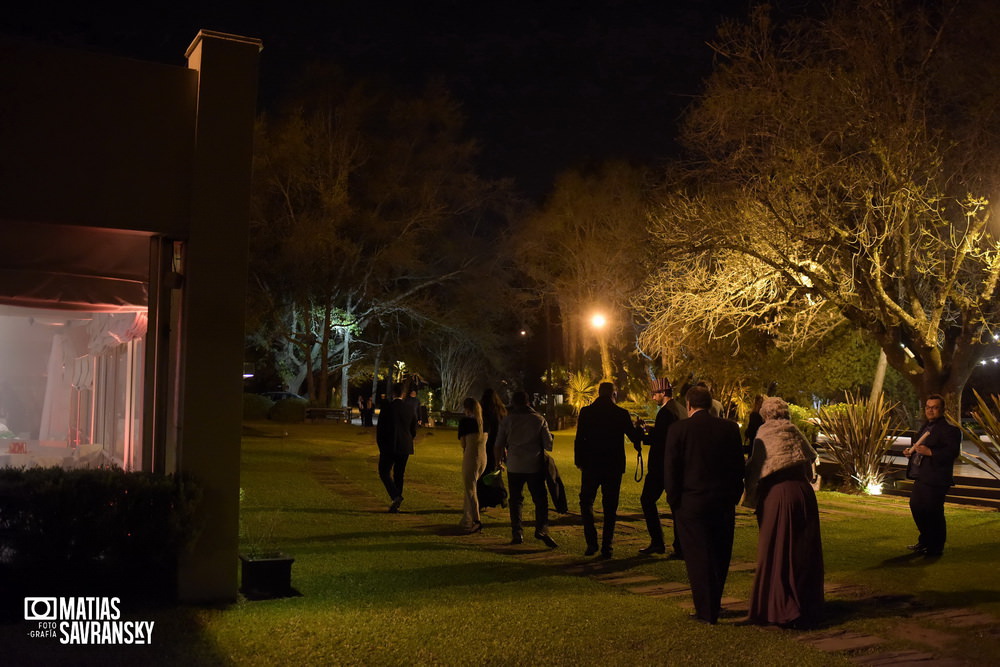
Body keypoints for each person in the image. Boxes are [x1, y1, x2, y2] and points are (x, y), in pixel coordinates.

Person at [664, 385, 745, 624]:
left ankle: (706, 609)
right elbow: (738, 467)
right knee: (720, 554)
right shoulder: (729, 429)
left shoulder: (679, 430)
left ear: (689, 405)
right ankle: (714, 603)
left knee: (698, 557)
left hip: (691, 502)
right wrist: (733, 495)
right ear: (710, 404)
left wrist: (674, 500)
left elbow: (671, 469)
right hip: (721, 501)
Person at [743, 397, 824, 627]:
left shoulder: (764, 433)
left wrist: (750, 496)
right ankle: (806, 605)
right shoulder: (794, 431)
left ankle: (780, 607)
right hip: (803, 495)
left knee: (777, 549)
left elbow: (756, 470)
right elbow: (809, 467)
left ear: (765, 414)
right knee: (801, 550)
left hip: (778, 496)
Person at [574, 382, 643, 558]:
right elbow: (634, 437)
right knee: (610, 507)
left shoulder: (587, 412)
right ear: (614, 394)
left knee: (586, 502)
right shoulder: (620, 413)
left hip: (591, 464)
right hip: (613, 465)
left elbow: (579, 438)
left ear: (599, 393)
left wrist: (579, 461)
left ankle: (591, 542)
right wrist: (639, 428)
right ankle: (607, 546)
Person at [495, 391, 557, 548]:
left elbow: (499, 444)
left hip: (514, 464)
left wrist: (498, 462)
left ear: (513, 403)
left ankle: (517, 532)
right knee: (540, 499)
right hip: (533, 465)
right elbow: (548, 444)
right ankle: (541, 529)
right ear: (528, 402)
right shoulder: (538, 419)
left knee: (515, 499)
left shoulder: (508, 420)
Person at [902, 394, 961, 557]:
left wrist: (931, 452)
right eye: (928, 407)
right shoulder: (924, 427)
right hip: (921, 476)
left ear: (942, 409)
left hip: (936, 478)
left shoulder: (950, 430)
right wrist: (911, 453)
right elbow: (919, 448)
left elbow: (952, 452)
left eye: (934, 407)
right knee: (917, 507)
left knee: (933, 512)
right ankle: (925, 541)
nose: (930, 410)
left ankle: (936, 547)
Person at [636, 379, 680, 557]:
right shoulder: (679, 409)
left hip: (661, 466)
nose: (653, 397)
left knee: (647, 500)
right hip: (675, 464)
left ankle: (657, 541)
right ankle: (680, 545)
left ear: (663, 393)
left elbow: (660, 440)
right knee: (676, 506)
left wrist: (644, 434)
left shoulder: (665, 413)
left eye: (655, 393)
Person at [375, 382, 417, 512]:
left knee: (384, 472)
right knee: (399, 474)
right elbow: (413, 429)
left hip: (389, 445)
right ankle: (396, 501)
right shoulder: (409, 408)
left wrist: (381, 445)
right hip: (404, 445)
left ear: (393, 394)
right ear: (403, 394)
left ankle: (395, 496)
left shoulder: (387, 407)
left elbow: (380, 429)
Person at [458, 397, 488, 532]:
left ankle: (476, 520)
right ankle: (467, 518)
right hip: (483, 457)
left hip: (471, 456)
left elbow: (463, 443)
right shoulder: (483, 422)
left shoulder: (465, 422)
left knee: (470, 489)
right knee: (471, 487)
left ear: (466, 409)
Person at [478, 388, 509, 508]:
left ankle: (485, 500)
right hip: (498, 444)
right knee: (495, 472)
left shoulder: (482, 412)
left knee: (483, 473)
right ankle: (500, 496)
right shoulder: (501, 412)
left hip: (485, 445)